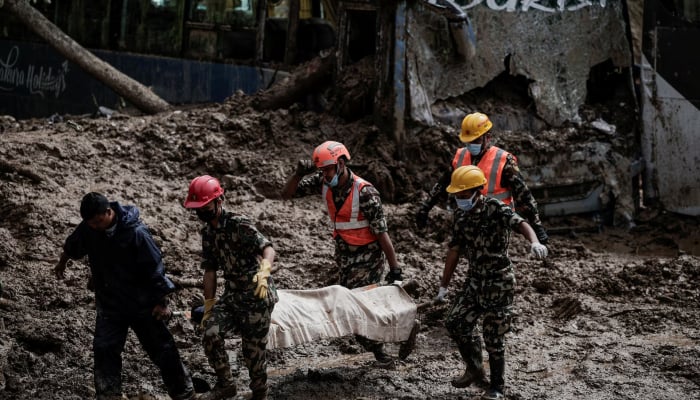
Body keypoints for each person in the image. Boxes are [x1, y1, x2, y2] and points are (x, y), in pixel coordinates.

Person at [54, 192, 195, 400]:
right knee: (104, 349)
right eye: (90, 223)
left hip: (142, 303)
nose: (94, 226)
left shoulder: (136, 233)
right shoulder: (89, 228)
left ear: (109, 212)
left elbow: (155, 269)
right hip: (110, 303)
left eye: (97, 221)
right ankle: (109, 395)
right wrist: (62, 262)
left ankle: (183, 393)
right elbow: (74, 244)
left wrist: (162, 302)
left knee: (162, 349)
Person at [281, 140, 409, 366]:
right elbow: (286, 194)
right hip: (344, 257)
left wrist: (395, 269)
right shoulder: (323, 183)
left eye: (327, 169)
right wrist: (297, 174)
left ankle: (384, 351)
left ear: (340, 164)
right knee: (364, 308)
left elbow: (382, 234)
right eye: (321, 170)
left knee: (354, 311)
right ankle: (401, 330)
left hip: (369, 258)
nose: (324, 174)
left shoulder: (366, 193)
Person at [433, 165, 548, 400]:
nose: (459, 200)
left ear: (477, 191)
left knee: (494, 336)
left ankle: (497, 387)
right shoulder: (460, 215)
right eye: (456, 196)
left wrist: (534, 241)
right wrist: (443, 286)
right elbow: (454, 251)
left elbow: (521, 223)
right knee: (455, 322)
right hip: (474, 280)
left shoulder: (495, 208)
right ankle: (474, 367)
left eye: (463, 195)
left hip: (499, 281)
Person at [183, 175, 277, 400]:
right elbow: (210, 271)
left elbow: (268, 248)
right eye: (198, 208)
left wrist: (264, 272)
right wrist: (208, 305)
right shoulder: (207, 233)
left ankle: (259, 393)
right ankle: (226, 385)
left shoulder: (239, 224)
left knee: (252, 352)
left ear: (219, 201)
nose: (202, 212)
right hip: (233, 295)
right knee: (210, 332)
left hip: (257, 295)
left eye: (205, 206)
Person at [416, 112, 549, 245]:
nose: (472, 144)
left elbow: (524, 196)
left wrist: (536, 226)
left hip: (496, 223)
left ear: (488, 137)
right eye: (468, 141)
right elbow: (442, 185)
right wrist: (426, 207)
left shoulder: (503, 161)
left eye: (476, 140)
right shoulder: (460, 157)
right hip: (466, 222)